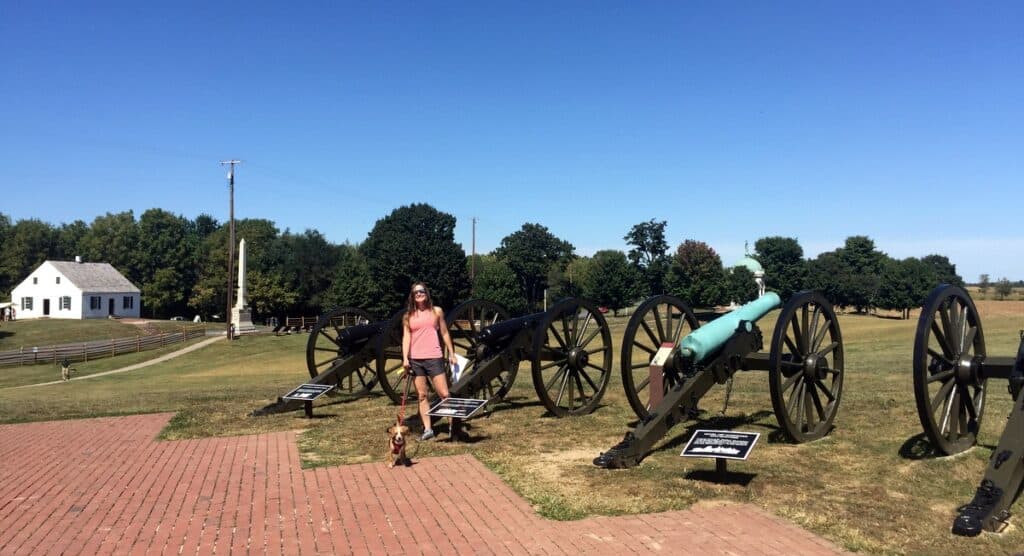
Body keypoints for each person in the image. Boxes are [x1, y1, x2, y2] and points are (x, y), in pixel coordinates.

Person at [401, 282, 456, 441]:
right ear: (412, 296)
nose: (419, 294)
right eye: (416, 292)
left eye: (422, 291)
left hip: (434, 357)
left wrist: (451, 353)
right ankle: (428, 429)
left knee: (444, 394)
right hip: (416, 360)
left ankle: (452, 426)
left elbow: (444, 333)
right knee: (422, 395)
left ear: (427, 293)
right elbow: (406, 338)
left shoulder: (436, 311)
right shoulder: (408, 316)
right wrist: (405, 359)